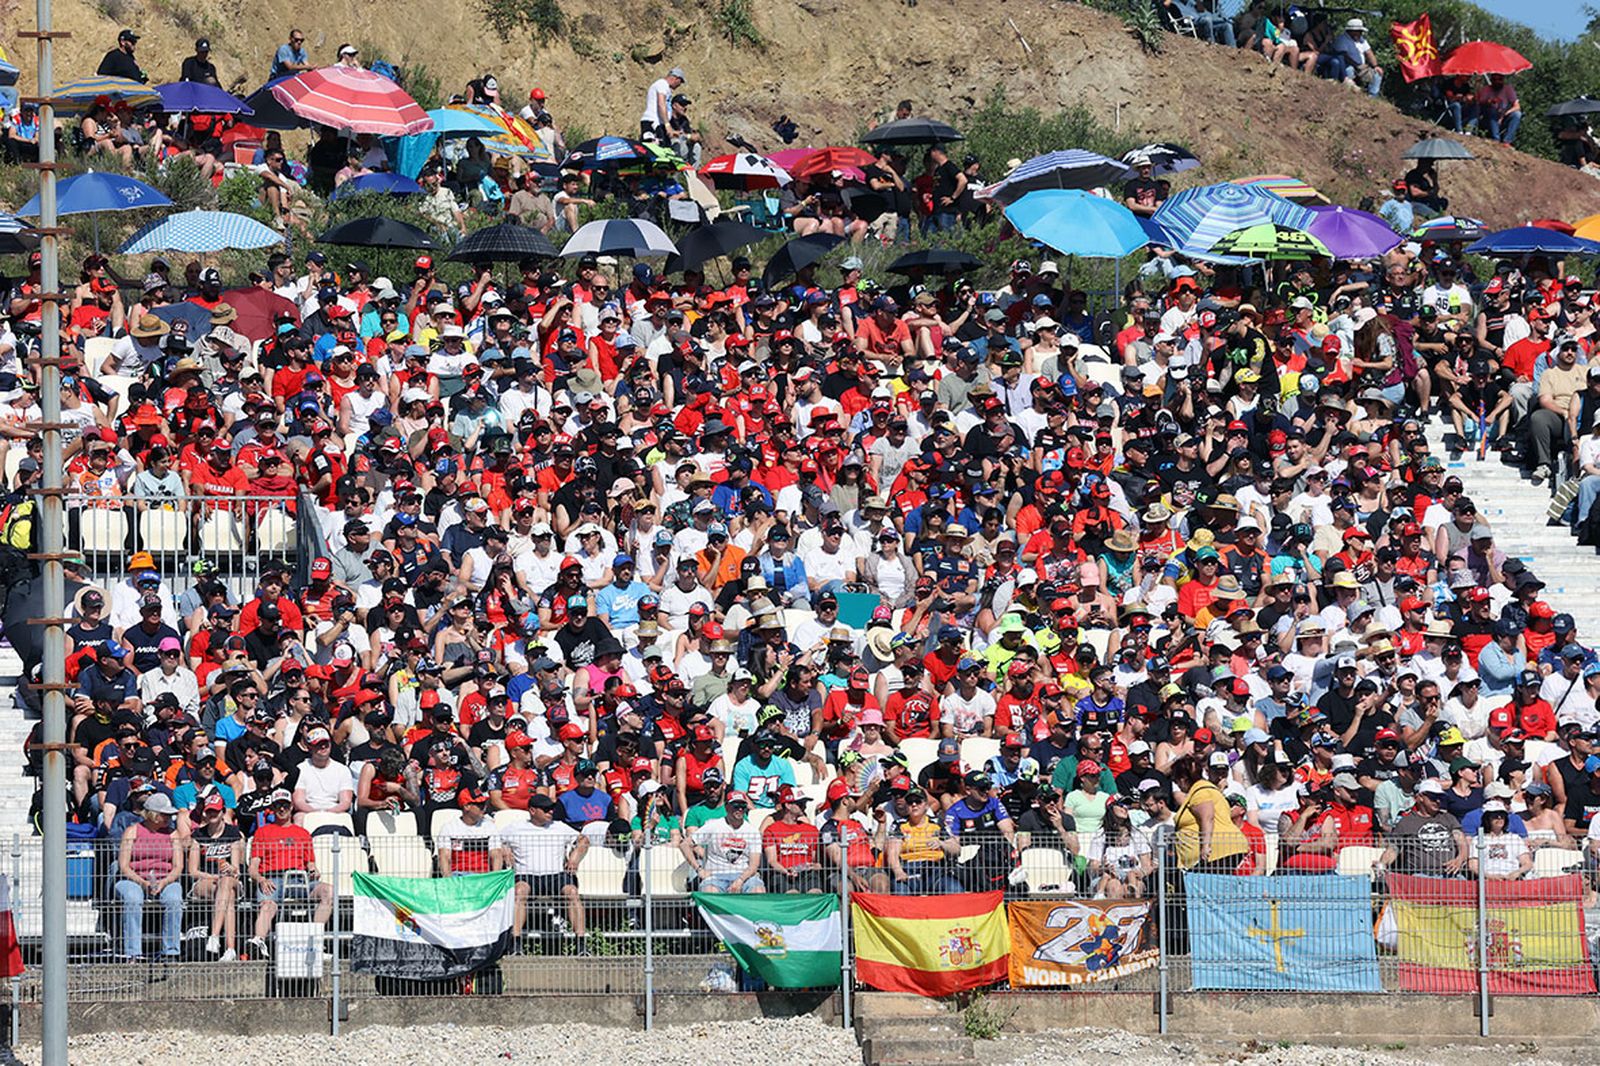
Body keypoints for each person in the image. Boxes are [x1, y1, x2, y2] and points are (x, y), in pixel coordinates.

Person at [247, 790, 333, 957]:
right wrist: (261, 879)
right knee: (267, 904)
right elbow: (253, 867)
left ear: (291, 807)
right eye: (278, 806)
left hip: (299, 879)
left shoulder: (303, 834)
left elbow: (311, 864)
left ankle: (314, 940)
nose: (282, 809)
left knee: (328, 891)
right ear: (272, 808)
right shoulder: (262, 832)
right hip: (272, 878)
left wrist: (314, 871)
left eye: (285, 805)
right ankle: (258, 941)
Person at [500, 794, 589, 948]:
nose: (551, 812)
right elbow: (494, 839)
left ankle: (581, 943)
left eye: (551, 809)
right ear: (532, 810)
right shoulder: (514, 828)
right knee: (519, 892)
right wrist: (504, 849)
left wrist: (575, 857)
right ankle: (515, 942)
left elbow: (584, 840)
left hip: (556, 875)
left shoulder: (560, 826)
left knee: (572, 892)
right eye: (546, 809)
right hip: (526, 875)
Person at [114, 793, 184, 958]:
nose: (168, 818)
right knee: (132, 898)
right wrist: (143, 882)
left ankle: (171, 952)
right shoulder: (132, 832)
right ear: (153, 814)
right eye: (164, 814)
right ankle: (133, 953)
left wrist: (164, 882)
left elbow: (178, 866)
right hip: (133, 878)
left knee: (174, 899)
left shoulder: (173, 835)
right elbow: (124, 865)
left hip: (165, 879)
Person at [681, 789, 764, 893]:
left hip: (743, 875)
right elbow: (685, 844)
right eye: (735, 806)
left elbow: (754, 865)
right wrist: (699, 870)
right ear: (727, 807)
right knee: (709, 891)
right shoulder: (713, 826)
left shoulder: (752, 831)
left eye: (742, 806)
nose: (739, 809)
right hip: (715, 875)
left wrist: (740, 881)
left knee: (758, 890)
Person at [640, 67, 685, 142]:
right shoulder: (662, 84)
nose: (680, 85)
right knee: (652, 149)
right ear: (676, 79)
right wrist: (667, 125)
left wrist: (670, 129)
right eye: (680, 82)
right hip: (652, 122)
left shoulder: (666, 88)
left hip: (659, 124)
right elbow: (661, 104)